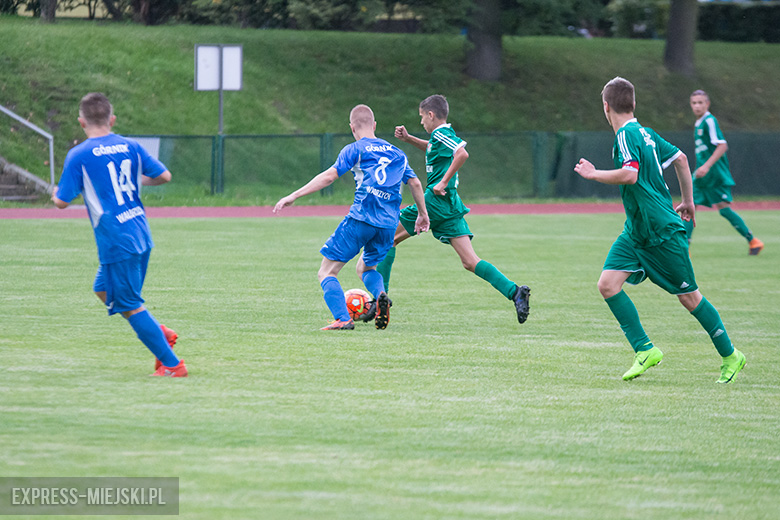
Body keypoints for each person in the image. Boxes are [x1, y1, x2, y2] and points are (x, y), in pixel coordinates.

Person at [574, 77, 746, 384]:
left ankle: (731, 355)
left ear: (606, 106)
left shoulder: (626, 134)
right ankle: (645, 350)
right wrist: (689, 201)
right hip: (637, 231)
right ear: (634, 103)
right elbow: (680, 159)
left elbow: (629, 174)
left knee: (690, 298)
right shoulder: (646, 133)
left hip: (662, 231)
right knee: (608, 284)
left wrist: (593, 174)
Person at [51, 92, 186, 377]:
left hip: (116, 240)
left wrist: (55, 194)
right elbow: (164, 176)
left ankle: (173, 365)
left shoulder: (79, 155)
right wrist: (135, 181)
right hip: (139, 231)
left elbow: (62, 201)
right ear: (112, 119)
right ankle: (159, 332)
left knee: (130, 305)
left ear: (81, 122)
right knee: (102, 288)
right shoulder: (131, 145)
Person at [274, 104, 429, 330]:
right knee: (366, 269)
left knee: (327, 271)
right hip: (387, 225)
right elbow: (415, 183)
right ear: (374, 125)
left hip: (361, 218)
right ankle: (380, 295)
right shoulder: (398, 153)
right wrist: (422, 215)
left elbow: (329, 176)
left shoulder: (355, 149)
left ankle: (343, 319)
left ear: (351, 127)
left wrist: (294, 195)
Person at [378, 94, 530, 324]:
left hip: (435, 201)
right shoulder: (438, 138)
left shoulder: (442, 133)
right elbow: (433, 148)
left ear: (431, 115)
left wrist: (442, 181)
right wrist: (409, 139)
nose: (421, 123)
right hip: (450, 204)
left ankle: (381, 301)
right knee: (470, 261)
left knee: (387, 237)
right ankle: (515, 292)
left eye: (422, 117)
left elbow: (462, 153)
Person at [688, 90, 763, 255]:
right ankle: (683, 248)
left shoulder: (709, 121)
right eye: (694, 103)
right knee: (690, 206)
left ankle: (753, 240)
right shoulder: (699, 122)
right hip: (703, 175)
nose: (697, 106)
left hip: (713, 175)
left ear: (707, 104)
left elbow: (722, 145)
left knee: (722, 209)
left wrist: (706, 166)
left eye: (700, 102)